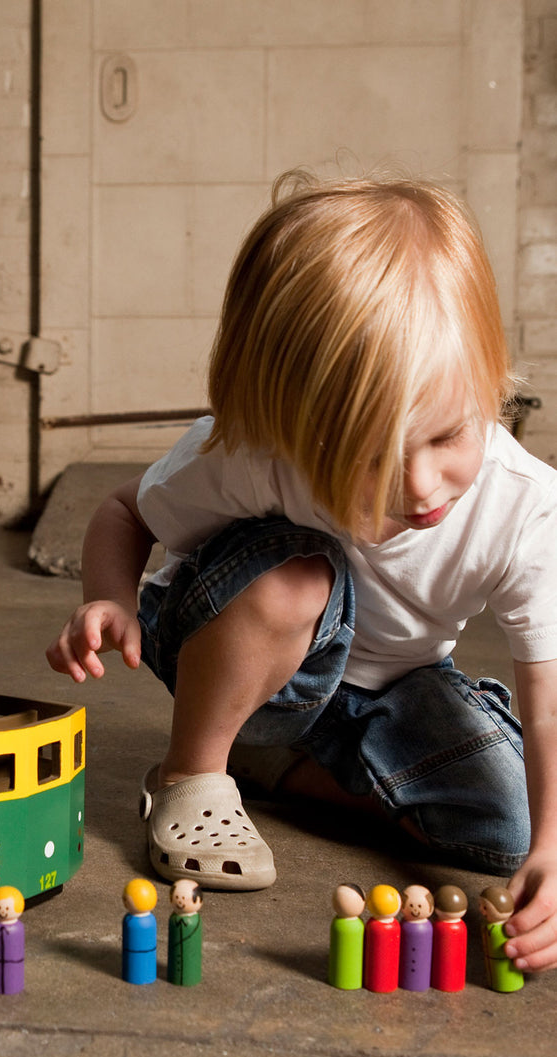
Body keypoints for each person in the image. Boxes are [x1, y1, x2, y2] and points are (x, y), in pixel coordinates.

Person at [46, 170, 557, 972]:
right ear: (293, 426)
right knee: (297, 574)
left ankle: (281, 766)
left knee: (508, 830)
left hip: (393, 692)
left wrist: (555, 845)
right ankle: (195, 771)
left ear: (492, 383)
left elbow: (547, 682)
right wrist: (108, 600)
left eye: (448, 437)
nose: (420, 488)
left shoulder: (524, 508)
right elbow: (125, 511)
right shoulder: (256, 458)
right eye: (368, 459)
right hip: (252, 663)